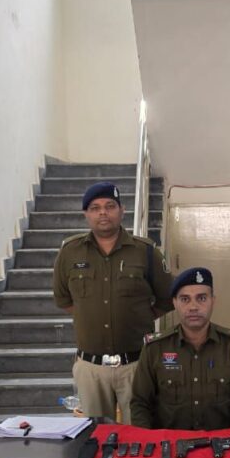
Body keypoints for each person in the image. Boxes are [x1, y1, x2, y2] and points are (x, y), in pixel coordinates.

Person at [53, 180, 173, 422]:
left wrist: (140, 316)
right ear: (86, 214)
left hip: (136, 365)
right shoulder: (70, 252)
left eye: (110, 206)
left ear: (122, 210)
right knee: (96, 435)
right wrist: (90, 314)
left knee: (139, 433)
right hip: (91, 369)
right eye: (95, 208)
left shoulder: (145, 251)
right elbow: (64, 299)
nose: (103, 213)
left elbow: (168, 298)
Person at [130, 267, 230, 429]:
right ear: (174, 303)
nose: (193, 306)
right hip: (170, 443)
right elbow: (140, 404)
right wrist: (148, 441)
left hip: (223, 442)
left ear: (213, 301)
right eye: (185, 299)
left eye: (201, 298)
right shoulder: (155, 349)